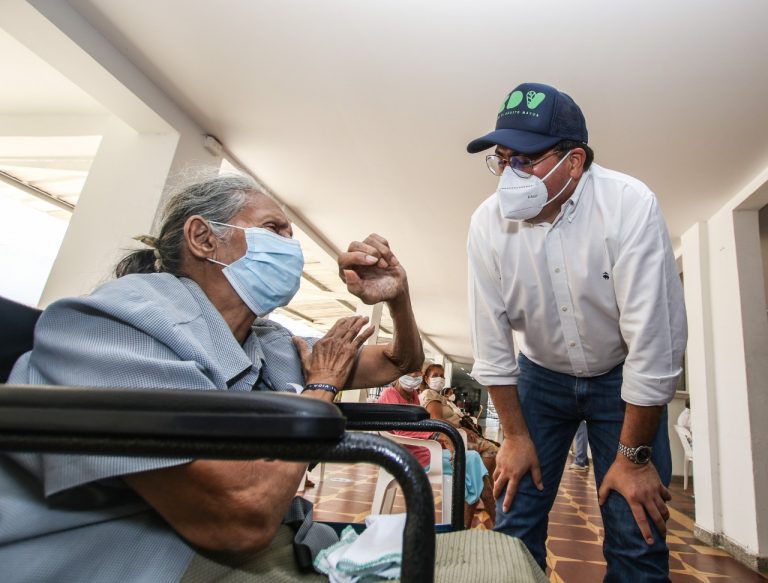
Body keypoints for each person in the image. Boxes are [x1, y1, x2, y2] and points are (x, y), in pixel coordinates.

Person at [0, 174, 425, 582]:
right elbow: (242, 518)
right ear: (203, 238)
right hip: (142, 562)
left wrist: (398, 298)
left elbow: (398, 361)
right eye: (273, 229)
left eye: (291, 235)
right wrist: (320, 388)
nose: (290, 247)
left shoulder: (267, 341)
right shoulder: (122, 322)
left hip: (281, 544)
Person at [466, 82, 687, 580]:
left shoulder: (630, 205)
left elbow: (655, 346)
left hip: (622, 380)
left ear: (574, 161)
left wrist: (633, 461)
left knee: (637, 532)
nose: (510, 176)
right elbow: (491, 344)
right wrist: (516, 438)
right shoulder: (486, 225)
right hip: (539, 379)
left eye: (526, 159)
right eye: (503, 160)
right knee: (513, 522)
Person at [378, 371, 496, 528]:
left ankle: (468, 523)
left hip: (425, 452)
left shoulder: (413, 394)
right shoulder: (389, 394)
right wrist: (437, 436)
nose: (414, 375)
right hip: (408, 458)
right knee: (473, 463)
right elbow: (401, 430)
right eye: (410, 371)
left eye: (417, 371)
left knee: (473, 461)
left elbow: (420, 424)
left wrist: (440, 438)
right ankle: (490, 520)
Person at [420, 364, 499, 477]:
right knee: (491, 450)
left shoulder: (439, 397)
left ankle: (479, 483)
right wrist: (462, 429)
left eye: (442, 376)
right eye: (435, 375)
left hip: (456, 432)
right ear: (427, 379)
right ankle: (482, 486)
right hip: (450, 436)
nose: (439, 378)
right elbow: (436, 420)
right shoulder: (429, 394)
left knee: (490, 448)